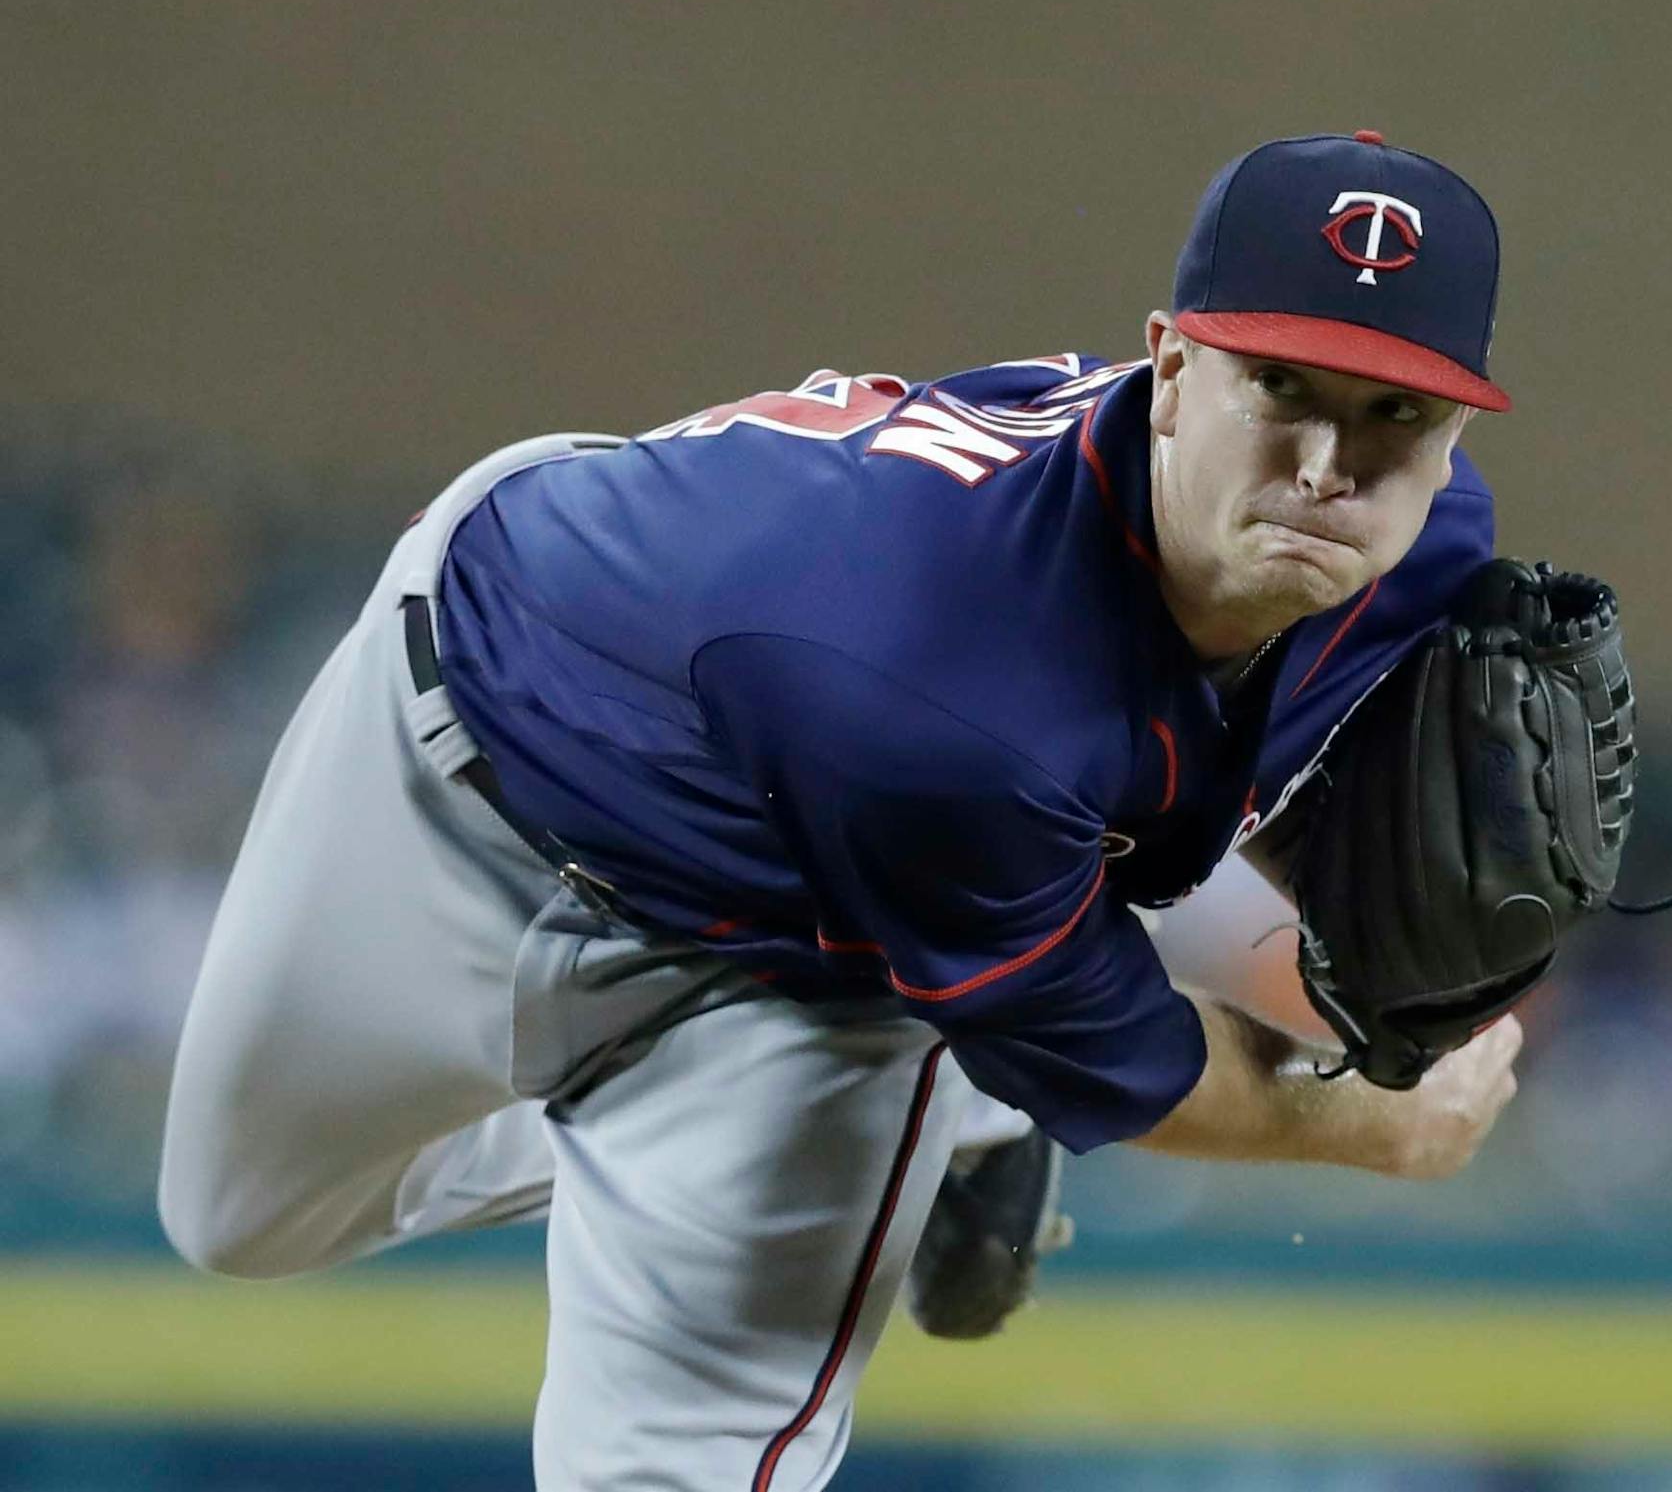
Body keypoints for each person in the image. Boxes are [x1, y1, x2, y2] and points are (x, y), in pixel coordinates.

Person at [158, 130, 1527, 1490]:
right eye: (1279, 383)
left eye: (1395, 411)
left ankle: (938, 1069)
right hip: (471, 759)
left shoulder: (1418, 555)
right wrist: (1375, 1119)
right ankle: (979, 1088)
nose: (1330, 461)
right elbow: (1139, 1063)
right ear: (1170, 371)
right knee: (238, 1220)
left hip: (812, 983)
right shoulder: (939, 683)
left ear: (1455, 431)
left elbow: (1226, 767)